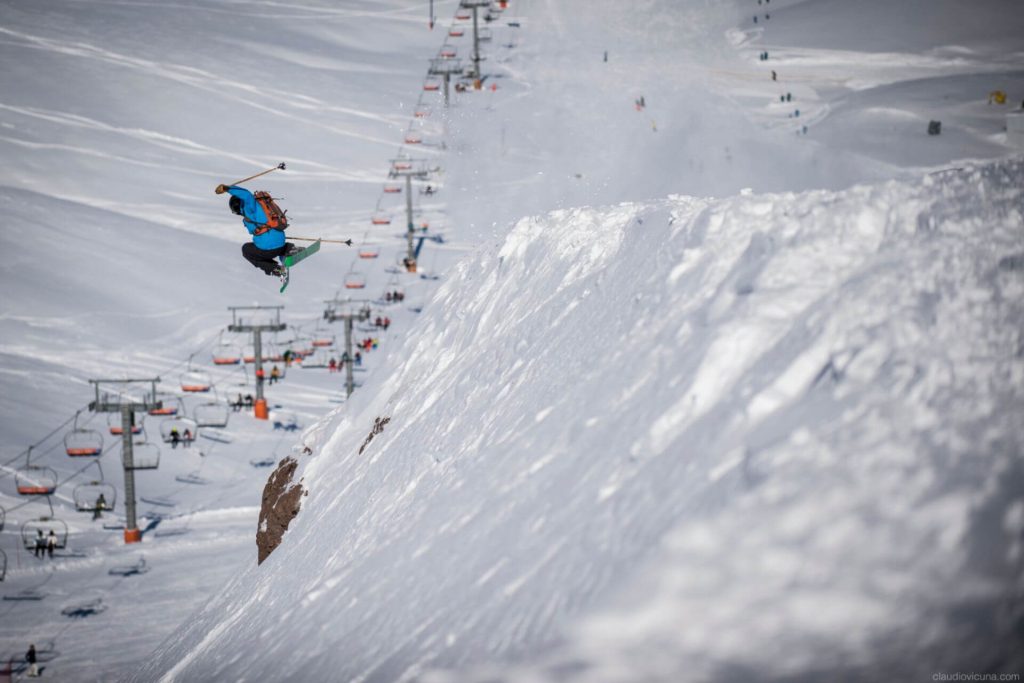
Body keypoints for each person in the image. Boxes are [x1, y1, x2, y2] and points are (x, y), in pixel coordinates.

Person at [215, 183, 295, 279]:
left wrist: (227, 188)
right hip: (281, 241)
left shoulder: (249, 208)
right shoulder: (260, 207)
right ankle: (290, 249)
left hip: (268, 249)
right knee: (273, 245)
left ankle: (275, 269)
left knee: (246, 250)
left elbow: (246, 195)